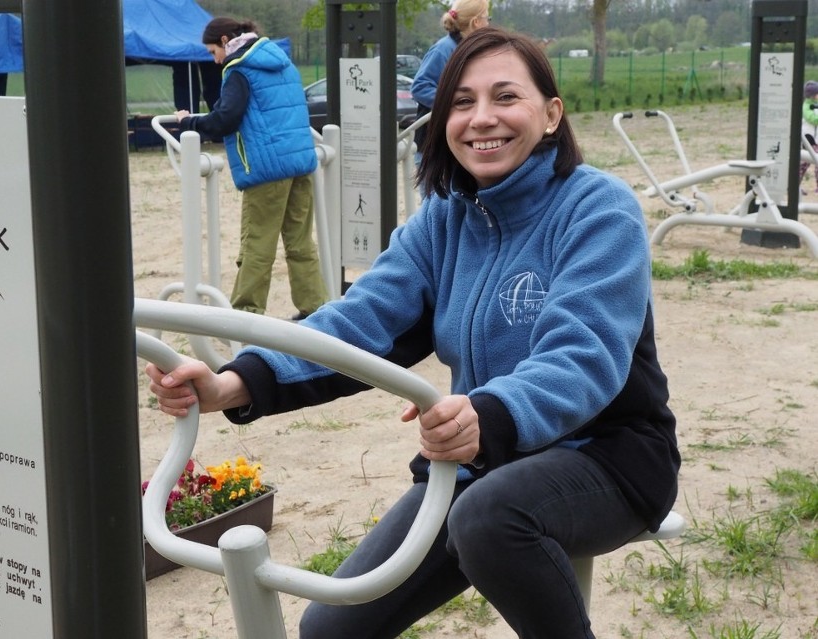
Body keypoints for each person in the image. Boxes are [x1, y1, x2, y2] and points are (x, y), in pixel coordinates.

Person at [147, 27, 680, 639]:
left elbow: (583, 355)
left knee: (489, 518)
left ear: (552, 114)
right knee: (329, 629)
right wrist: (234, 382)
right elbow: (360, 320)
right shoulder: (444, 217)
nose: (482, 119)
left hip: (607, 456)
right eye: (461, 102)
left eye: (506, 97)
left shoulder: (598, 209)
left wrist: (486, 415)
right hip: (482, 462)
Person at [175, 17, 329, 320]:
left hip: (267, 169)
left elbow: (225, 119)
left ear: (223, 41)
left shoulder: (239, 68)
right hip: (300, 163)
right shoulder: (282, 62)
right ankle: (316, 310)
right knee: (300, 243)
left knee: (257, 244)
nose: (214, 59)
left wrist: (188, 123)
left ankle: (245, 316)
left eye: (211, 52)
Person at [410, 0, 490, 161]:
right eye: (487, 18)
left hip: (454, 142)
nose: (488, 24)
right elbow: (420, 87)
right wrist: (456, 103)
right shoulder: (443, 49)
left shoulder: (467, 49)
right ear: (476, 22)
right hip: (434, 147)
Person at [799, 80, 818, 195]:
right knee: (802, 164)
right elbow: (812, 119)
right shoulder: (806, 106)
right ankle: (794, 185)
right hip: (808, 141)